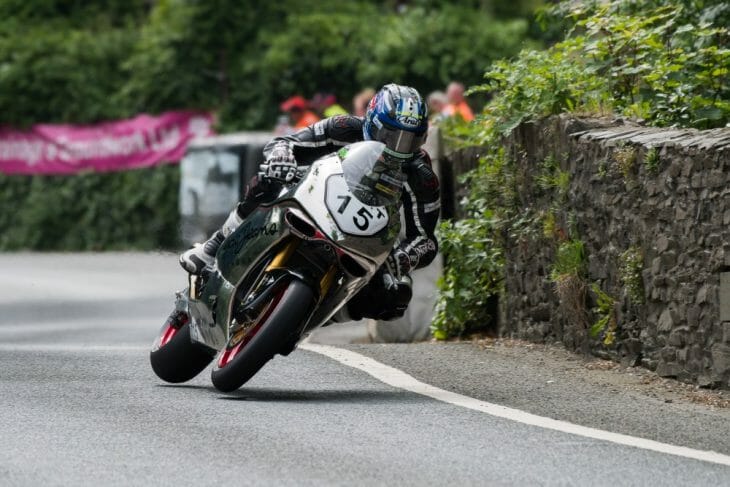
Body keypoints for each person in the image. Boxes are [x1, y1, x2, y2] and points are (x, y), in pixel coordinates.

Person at [180, 84, 440, 321]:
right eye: (392, 135)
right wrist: (282, 157)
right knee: (267, 180)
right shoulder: (344, 127)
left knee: (395, 297)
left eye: (410, 140)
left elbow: (426, 240)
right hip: (316, 194)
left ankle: (317, 316)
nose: (399, 147)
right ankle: (214, 247)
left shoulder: (421, 174)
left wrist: (405, 257)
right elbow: (284, 143)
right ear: (372, 121)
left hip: (367, 232)